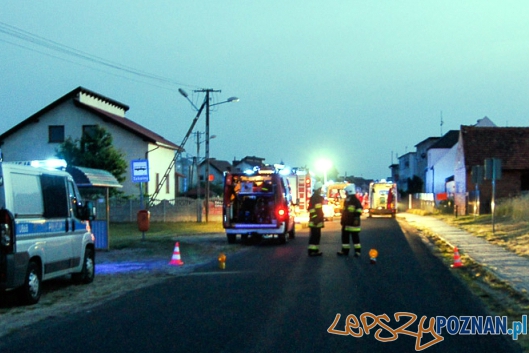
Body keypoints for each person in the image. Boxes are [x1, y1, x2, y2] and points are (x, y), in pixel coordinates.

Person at [337, 184, 363, 257]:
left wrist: (355, 219)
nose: (345, 193)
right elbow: (346, 211)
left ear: (349, 192)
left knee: (355, 238)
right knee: (345, 238)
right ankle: (345, 251)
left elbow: (359, 211)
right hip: (346, 223)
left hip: (353, 223)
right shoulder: (347, 200)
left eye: (346, 192)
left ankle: (357, 252)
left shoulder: (355, 201)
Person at [308, 181, 325, 256]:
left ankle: (314, 250)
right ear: (318, 189)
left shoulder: (314, 197)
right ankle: (313, 251)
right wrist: (316, 219)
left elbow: (312, 209)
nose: (321, 190)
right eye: (320, 189)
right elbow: (316, 211)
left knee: (315, 236)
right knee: (315, 236)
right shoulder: (316, 198)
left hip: (315, 220)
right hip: (316, 221)